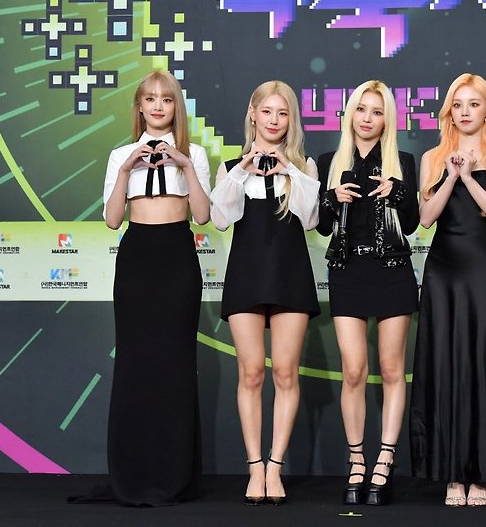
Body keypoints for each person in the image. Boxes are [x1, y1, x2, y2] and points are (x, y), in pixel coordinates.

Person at [73, 70, 211, 506]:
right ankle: (131, 474)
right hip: (137, 259)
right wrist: (126, 170)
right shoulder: (120, 155)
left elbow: (203, 216)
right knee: (135, 363)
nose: (157, 106)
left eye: (166, 99)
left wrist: (184, 165)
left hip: (177, 256)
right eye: (149, 99)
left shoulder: (195, 153)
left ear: (176, 107)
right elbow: (112, 220)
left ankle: (174, 474)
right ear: (139, 106)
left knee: (175, 363)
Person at [409, 72, 486, 507]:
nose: (465, 112)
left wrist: (471, 178)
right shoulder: (433, 156)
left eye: (474, 104)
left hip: (484, 269)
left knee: (482, 364)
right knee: (443, 363)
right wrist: (450, 176)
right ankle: (452, 472)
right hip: (443, 269)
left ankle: (481, 473)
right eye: (457, 105)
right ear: (449, 112)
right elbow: (425, 218)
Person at [210, 80, 320, 505]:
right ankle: (254, 467)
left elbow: (311, 220)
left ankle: (276, 468)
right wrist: (244, 170)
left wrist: (288, 169)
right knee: (252, 372)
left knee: (285, 373)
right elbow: (220, 219)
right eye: (268, 111)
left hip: (290, 275)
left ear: (291, 120)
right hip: (246, 276)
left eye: (283, 113)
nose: (274, 120)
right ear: (253, 114)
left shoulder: (305, 168)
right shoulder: (230, 168)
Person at [316, 80, 419, 507]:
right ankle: (356, 460)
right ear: (349, 114)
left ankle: (385, 461)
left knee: (392, 369)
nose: (367, 118)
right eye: (361, 109)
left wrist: (397, 192)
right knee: (354, 370)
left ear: (387, 119)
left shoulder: (403, 162)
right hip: (347, 273)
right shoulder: (329, 161)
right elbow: (322, 227)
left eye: (377, 111)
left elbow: (413, 224)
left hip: (392, 271)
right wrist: (331, 197)